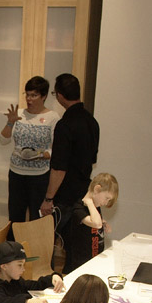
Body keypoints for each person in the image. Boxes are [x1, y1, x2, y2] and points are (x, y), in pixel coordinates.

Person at [0, 76, 60, 223]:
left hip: (39, 176)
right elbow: (3, 140)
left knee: (37, 219)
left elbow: (57, 149)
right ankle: (13, 245)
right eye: (27, 94)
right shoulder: (19, 114)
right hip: (16, 174)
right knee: (15, 217)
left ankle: (34, 246)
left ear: (44, 96)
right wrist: (10, 122)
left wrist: (40, 155)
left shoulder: (53, 117)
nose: (29, 99)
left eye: (34, 95)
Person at [40, 74, 99, 219]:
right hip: (84, 191)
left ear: (60, 96)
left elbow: (59, 168)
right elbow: (92, 159)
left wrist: (48, 199)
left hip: (66, 195)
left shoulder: (65, 125)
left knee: (60, 238)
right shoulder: (92, 121)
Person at [61, 172, 117, 274]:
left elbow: (98, 222)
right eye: (107, 198)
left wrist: (104, 222)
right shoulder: (79, 208)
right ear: (97, 189)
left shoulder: (95, 208)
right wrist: (90, 202)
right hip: (80, 263)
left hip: (94, 258)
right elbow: (96, 223)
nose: (106, 203)